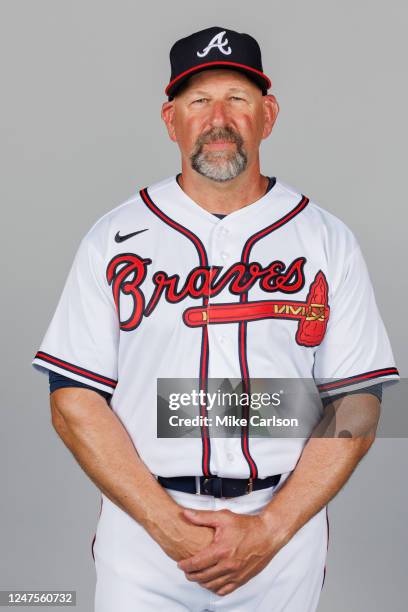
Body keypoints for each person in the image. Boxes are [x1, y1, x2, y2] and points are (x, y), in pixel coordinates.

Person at [32, 26, 399, 612]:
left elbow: (358, 399)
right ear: (170, 118)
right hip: (145, 528)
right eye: (199, 100)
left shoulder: (326, 240)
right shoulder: (114, 237)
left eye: (238, 98)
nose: (218, 118)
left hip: (281, 529)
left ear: (268, 114)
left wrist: (274, 528)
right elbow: (72, 398)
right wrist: (162, 523)